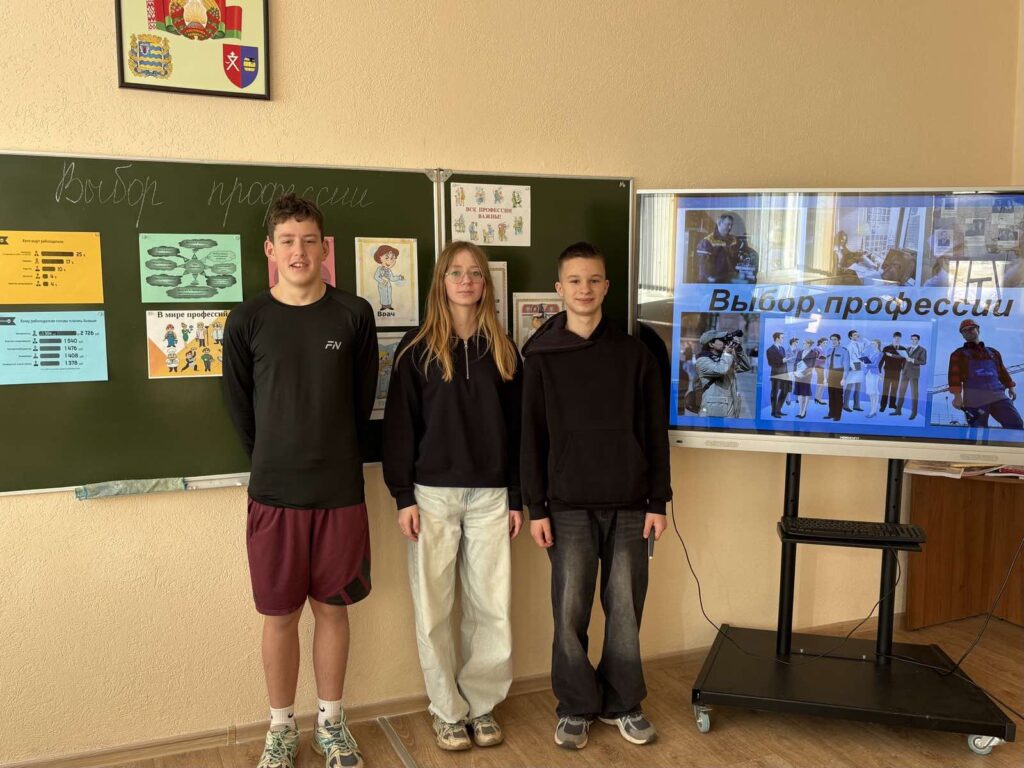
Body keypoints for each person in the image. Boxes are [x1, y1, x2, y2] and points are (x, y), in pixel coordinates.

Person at [222, 194, 377, 768]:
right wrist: (275, 458)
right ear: (270, 249)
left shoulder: (354, 314)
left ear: (324, 248)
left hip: (339, 493)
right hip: (274, 495)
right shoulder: (247, 320)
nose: (299, 251)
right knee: (280, 615)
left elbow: (360, 403)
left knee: (333, 611)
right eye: (287, 241)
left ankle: (331, 724)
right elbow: (240, 409)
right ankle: (281, 729)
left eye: (309, 240)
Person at [521, 241, 671, 751]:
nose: (584, 289)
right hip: (566, 507)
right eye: (574, 281)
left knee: (625, 609)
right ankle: (576, 705)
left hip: (630, 503)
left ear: (607, 287)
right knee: (570, 612)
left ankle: (623, 702)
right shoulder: (540, 357)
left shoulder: (635, 355)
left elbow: (654, 432)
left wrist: (658, 501)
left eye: (593, 280)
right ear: (559, 289)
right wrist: (536, 507)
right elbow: (530, 439)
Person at [382, 241, 523, 752]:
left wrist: (517, 496)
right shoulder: (415, 349)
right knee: (434, 611)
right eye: (456, 272)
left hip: (491, 496)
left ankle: (481, 706)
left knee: (492, 608)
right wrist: (403, 496)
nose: (466, 281)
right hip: (432, 497)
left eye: (475, 273)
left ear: (486, 284)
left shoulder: (504, 350)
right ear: (440, 282)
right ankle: (447, 711)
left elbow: (518, 429)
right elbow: (399, 428)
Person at [947, 319, 1022, 429]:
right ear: (962, 335)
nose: (968, 331)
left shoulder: (993, 353)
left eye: (971, 328)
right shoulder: (958, 354)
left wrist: (1010, 387)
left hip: (998, 398)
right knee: (978, 432)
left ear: (978, 330)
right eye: (965, 330)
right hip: (975, 401)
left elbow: (1002, 371)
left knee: (1016, 425)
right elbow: (954, 377)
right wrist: (957, 397)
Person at [695, 328, 753, 417]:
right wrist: (726, 354)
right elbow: (721, 370)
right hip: (713, 413)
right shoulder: (702, 361)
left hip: (729, 410)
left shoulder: (725, 359)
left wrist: (739, 349)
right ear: (711, 344)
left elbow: (746, 366)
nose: (725, 342)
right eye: (722, 340)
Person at [696, 213, 740, 283]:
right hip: (713, 281)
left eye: (731, 225)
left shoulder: (733, 240)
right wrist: (709, 278)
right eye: (727, 224)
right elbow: (702, 264)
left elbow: (736, 258)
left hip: (729, 278)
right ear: (719, 223)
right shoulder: (707, 241)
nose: (730, 228)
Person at [896, 333, 927, 419]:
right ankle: (898, 410)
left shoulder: (922, 350)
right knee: (901, 391)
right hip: (905, 372)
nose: (913, 341)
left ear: (918, 340)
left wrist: (913, 360)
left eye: (915, 339)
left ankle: (914, 413)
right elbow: (903, 358)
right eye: (912, 339)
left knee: (914, 394)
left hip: (914, 374)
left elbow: (923, 362)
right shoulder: (908, 349)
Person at [823, 333, 850, 421]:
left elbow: (846, 366)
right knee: (831, 395)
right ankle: (831, 413)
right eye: (832, 340)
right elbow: (826, 366)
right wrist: (825, 378)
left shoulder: (844, 351)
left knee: (838, 395)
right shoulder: (829, 350)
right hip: (830, 374)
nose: (833, 341)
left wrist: (844, 378)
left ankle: (838, 415)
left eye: (835, 339)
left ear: (839, 340)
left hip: (839, 374)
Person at [880, 332, 906, 414]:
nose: (897, 339)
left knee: (894, 389)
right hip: (888, 371)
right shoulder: (886, 348)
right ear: (893, 338)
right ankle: (883, 405)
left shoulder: (903, 349)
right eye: (896, 338)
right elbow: (882, 359)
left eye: (899, 338)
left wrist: (904, 371)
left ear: (900, 339)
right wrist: (879, 370)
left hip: (897, 371)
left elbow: (904, 361)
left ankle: (892, 404)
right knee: (886, 389)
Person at [765, 332, 789, 418]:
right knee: (774, 393)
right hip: (776, 374)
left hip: (784, 374)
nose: (783, 339)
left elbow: (785, 361)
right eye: (782, 337)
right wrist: (782, 361)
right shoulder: (770, 350)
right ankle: (773, 412)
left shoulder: (782, 348)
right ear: (777, 338)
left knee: (785, 391)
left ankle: (778, 410)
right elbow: (770, 363)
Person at [793, 338, 818, 419]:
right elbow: (796, 363)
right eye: (803, 343)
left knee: (806, 392)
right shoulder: (800, 352)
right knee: (799, 392)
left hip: (806, 375)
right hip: (798, 375)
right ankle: (800, 411)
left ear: (809, 344)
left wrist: (803, 374)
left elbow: (811, 365)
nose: (803, 344)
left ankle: (804, 411)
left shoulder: (813, 353)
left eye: (804, 343)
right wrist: (795, 372)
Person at [843, 329, 867, 412]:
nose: (857, 336)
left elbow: (867, 345)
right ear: (850, 337)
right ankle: (845, 405)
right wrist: (852, 367)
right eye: (855, 335)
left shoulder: (859, 344)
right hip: (853, 366)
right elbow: (848, 357)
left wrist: (863, 338)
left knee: (858, 386)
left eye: (857, 335)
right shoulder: (849, 346)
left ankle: (856, 405)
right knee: (849, 386)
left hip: (859, 365)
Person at [864, 339, 884, 417]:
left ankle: (873, 411)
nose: (873, 345)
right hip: (868, 373)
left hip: (874, 373)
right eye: (872, 343)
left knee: (874, 392)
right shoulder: (871, 353)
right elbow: (868, 362)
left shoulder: (880, 353)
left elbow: (875, 364)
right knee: (870, 392)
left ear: (878, 344)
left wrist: (866, 364)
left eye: (874, 343)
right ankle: (873, 410)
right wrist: (865, 362)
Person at [813, 337, 828, 404]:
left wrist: (824, 359)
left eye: (826, 343)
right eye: (824, 343)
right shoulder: (816, 349)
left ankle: (817, 398)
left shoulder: (822, 349)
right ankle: (819, 398)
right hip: (818, 367)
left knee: (821, 383)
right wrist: (822, 359)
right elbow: (814, 358)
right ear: (820, 342)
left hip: (821, 367)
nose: (825, 344)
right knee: (821, 383)